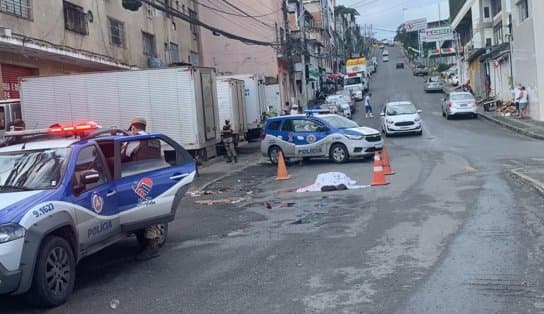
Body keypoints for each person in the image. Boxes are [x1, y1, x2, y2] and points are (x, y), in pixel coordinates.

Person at [124, 118, 162, 261]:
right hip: (154, 178)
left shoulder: (135, 140)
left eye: (131, 129)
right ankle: (151, 244)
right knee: (152, 210)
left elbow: (125, 156)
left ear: (133, 127)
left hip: (138, 180)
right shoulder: (154, 139)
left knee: (143, 211)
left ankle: (151, 247)